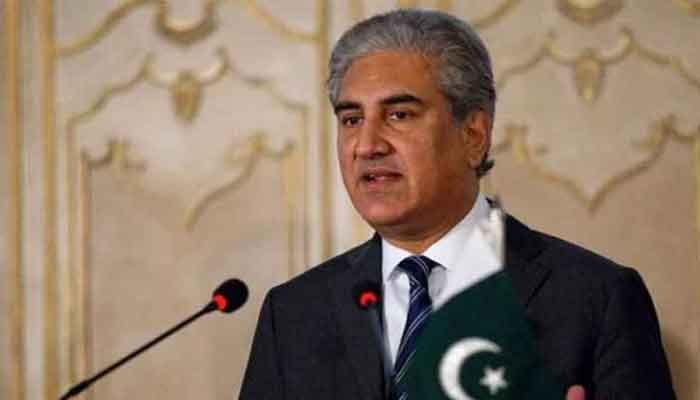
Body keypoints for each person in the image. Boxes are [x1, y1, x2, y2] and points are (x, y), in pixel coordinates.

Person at [239, 9, 676, 400]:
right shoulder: (293, 313)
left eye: (399, 115)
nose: (367, 145)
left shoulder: (596, 298)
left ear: (473, 135)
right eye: (351, 119)